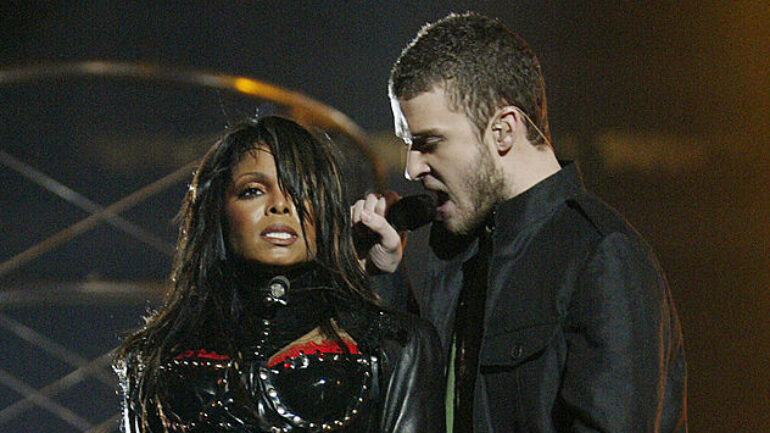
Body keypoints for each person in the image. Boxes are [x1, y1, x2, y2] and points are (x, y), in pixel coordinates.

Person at [352, 12, 687, 433]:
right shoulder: (458, 249)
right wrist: (386, 280)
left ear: (503, 131)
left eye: (428, 142)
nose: (412, 168)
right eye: (407, 144)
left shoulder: (602, 257)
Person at [113, 115, 444, 433]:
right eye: (253, 190)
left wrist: (381, 277)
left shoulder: (395, 341)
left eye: (302, 190)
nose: (281, 205)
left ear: (326, 212)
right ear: (218, 212)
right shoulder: (153, 354)